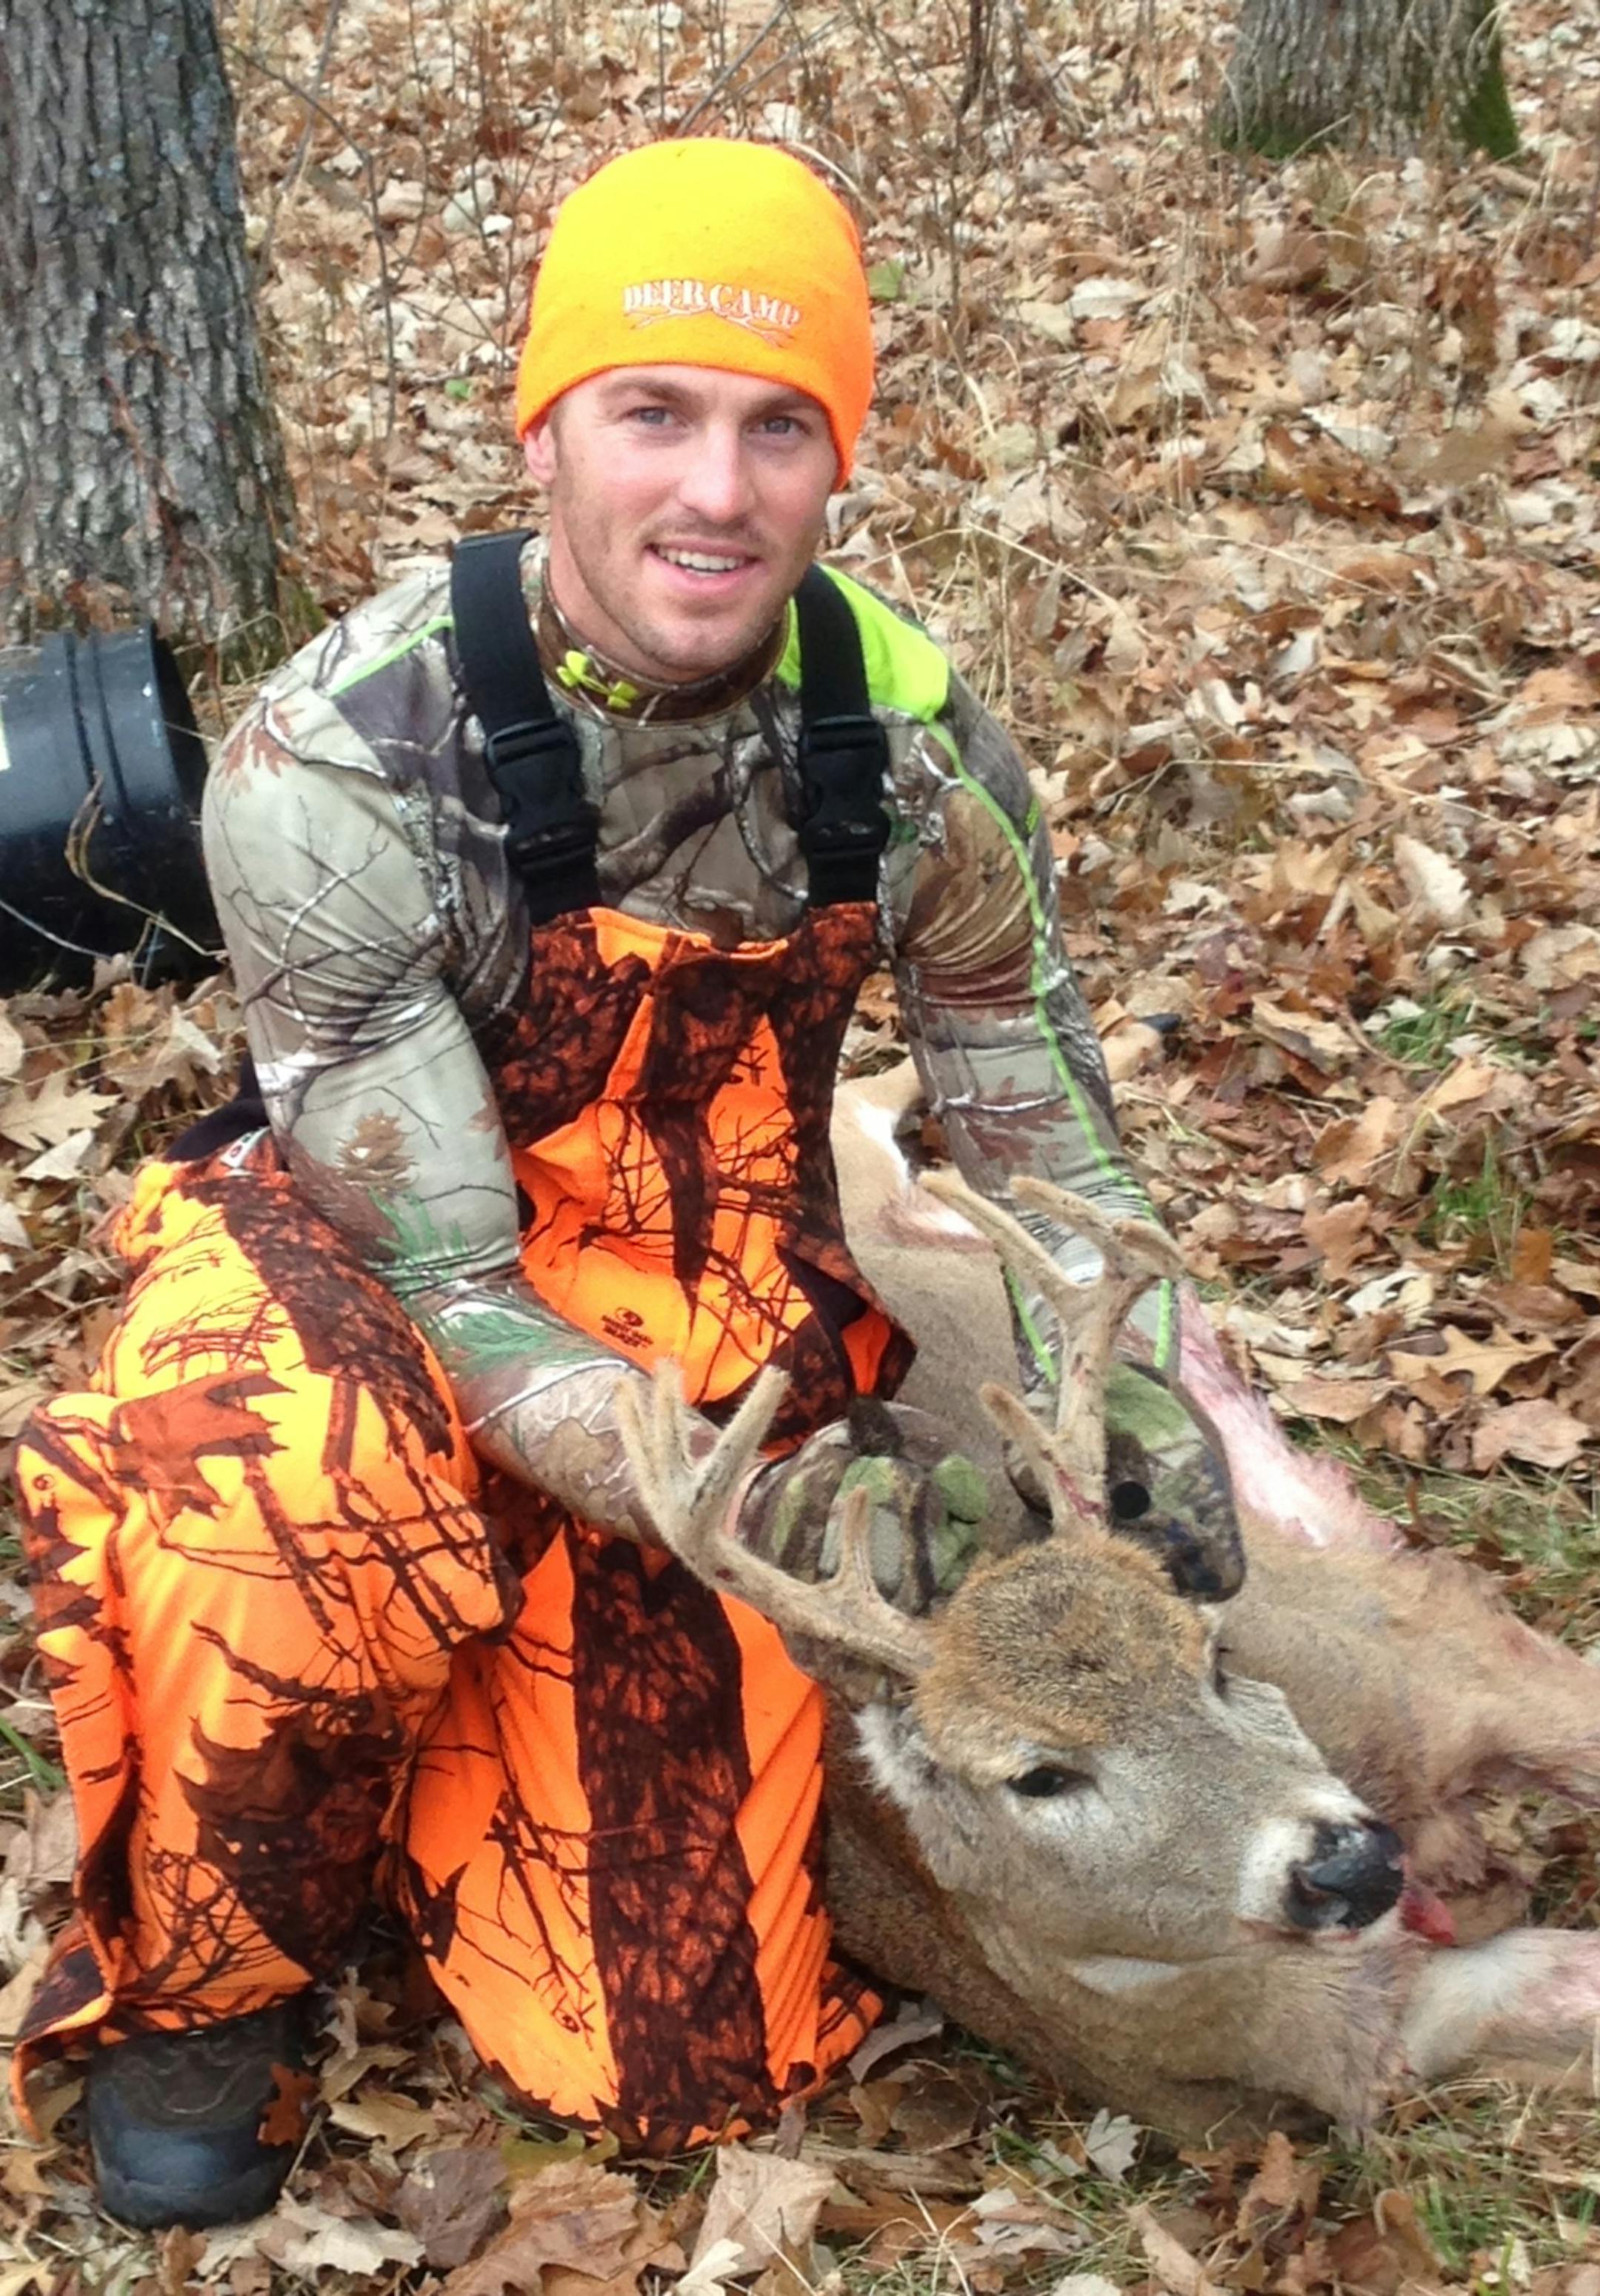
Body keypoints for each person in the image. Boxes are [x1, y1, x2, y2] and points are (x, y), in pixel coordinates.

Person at [10, 138, 1238, 2232]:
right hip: (376, 1279)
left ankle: (437, 1743)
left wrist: (1136, 1392)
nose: (715, 492)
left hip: (708, 1297)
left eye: (781, 428)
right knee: (279, 1488)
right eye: (652, 411)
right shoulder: (343, 753)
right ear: (547, 427)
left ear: (836, 461)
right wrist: (786, 1503)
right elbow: (466, 1295)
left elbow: (1032, 1107)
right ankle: (214, 1971)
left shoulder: (918, 749)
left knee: (679, 2056)